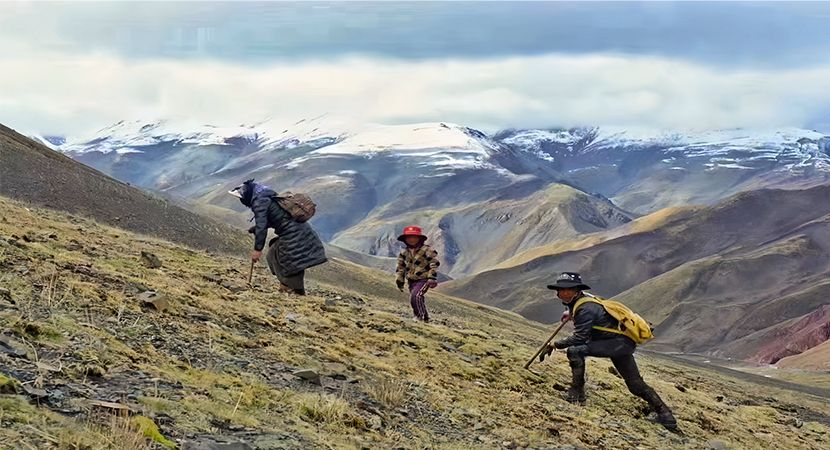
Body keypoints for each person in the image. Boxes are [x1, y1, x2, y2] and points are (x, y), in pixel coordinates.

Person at [540, 272, 677, 430]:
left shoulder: (585, 308)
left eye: (568, 290)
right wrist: (570, 313)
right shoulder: (584, 301)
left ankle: (576, 394)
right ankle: (666, 416)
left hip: (616, 344)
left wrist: (555, 344)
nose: (564, 293)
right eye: (561, 290)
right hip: (621, 344)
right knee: (635, 384)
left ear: (577, 291)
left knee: (575, 351)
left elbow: (580, 337)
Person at [228, 179, 327, 295]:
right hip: (299, 233)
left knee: (287, 261)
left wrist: (257, 250)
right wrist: (255, 229)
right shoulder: (265, 195)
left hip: (295, 235)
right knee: (276, 255)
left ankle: (291, 291)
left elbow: (262, 225)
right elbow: (277, 217)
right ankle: (291, 290)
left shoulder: (259, 202)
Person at [395, 226, 440, 322]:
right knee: (416, 298)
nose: (411, 239)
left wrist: (432, 278)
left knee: (416, 296)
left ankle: (420, 317)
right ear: (405, 239)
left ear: (419, 238)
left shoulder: (427, 250)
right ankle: (425, 317)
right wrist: (400, 280)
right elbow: (400, 267)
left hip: (424, 279)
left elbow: (434, 263)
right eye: (409, 237)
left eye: (414, 237)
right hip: (411, 280)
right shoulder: (404, 252)